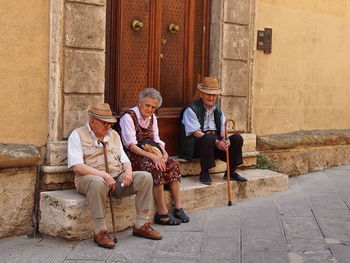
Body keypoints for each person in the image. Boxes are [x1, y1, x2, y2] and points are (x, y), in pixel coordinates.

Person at [67, 103, 162, 249]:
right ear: (92, 121)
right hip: (89, 180)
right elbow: (76, 166)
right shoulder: (77, 134)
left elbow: (125, 161)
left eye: (110, 123)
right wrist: (103, 175)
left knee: (145, 177)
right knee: (98, 182)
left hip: (116, 177)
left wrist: (128, 173)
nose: (108, 126)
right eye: (104, 123)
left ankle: (141, 225)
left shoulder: (114, 135)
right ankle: (100, 232)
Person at [119, 88, 189, 226]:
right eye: (147, 105)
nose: (150, 109)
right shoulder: (128, 117)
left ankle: (178, 207)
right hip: (134, 155)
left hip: (152, 152)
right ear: (139, 103)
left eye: (153, 107)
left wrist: (164, 153)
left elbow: (157, 140)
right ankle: (162, 213)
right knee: (154, 167)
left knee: (173, 164)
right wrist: (153, 157)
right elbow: (130, 145)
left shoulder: (152, 117)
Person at [180, 77, 247, 185]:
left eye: (214, 95)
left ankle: (231, 171)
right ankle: (204, 172)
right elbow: (196, 133)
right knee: (209, 137)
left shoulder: (218, 110)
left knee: (237, 138)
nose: (211, 97)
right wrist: (216, 142)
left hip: (213, 146)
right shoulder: (191, 110)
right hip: (196, 147)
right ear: (201, 94)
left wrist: (225, 139)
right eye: (208, 94)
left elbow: (222, 130)